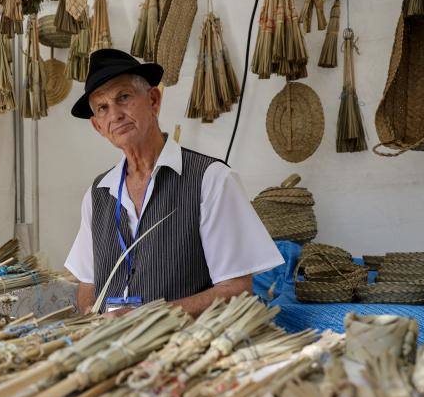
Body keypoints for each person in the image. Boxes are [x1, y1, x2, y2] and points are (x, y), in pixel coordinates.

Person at [65, 49, 283, 317]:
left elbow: (235, 289)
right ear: (98, 126)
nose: (115, 115)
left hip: (185, 349)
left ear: (153, 100)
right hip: (112, 350)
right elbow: (88, 282)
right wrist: (90, 318)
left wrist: (144, 317)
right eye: (103, 108)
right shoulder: (98, 194)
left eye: (123, 97)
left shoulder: (211, 179)